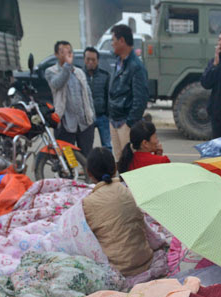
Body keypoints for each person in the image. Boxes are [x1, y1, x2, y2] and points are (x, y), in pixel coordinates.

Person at [82, 147, 154, 277]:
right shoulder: (130, 191)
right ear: (115, 168)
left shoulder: (88, 203)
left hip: (118, 271)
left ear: (89, 173)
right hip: (145, 260)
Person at [45, 40, 96, 157]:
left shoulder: (79, 72)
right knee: (69, 158)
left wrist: (92, 115)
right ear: (56, 55)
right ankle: (71, 175)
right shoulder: (51, 72)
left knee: (87, 156)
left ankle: (87, 174)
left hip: (84, 123)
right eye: (63, 52)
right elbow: (57, 84)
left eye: (69, 51)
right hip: (65, 125)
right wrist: (67, 66)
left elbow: (88, 94)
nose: (67, 54)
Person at [108, 24, 150, 161]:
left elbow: (141, 98)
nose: (112, 44)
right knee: (119, 161)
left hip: (125, 123)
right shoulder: (118, 62)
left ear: (122, 41)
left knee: (130, 162)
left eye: (113, 40)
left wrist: (129, 123)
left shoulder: (136, 66)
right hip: (114, 120)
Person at [83, 46, 111, 150]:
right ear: (84, 60)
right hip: (86, 118)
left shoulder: (105, 75)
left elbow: (108, 96)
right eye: (88, 59)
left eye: (93, 60)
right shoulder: (79, 75)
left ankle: (108, 165)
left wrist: (107, 114)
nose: (90, 62)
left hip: (102, 116)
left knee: (107, 145)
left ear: (97, 61)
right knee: (86, 147)